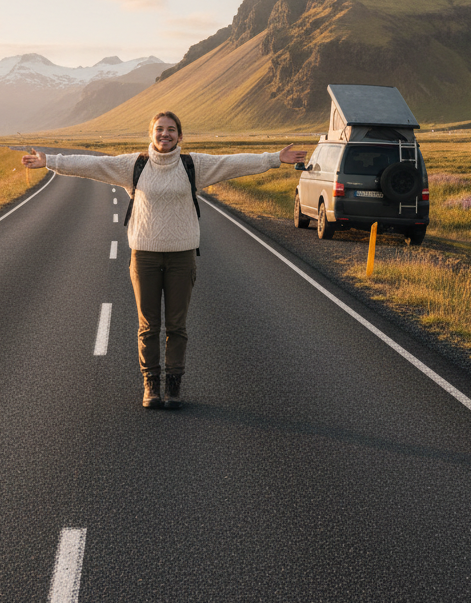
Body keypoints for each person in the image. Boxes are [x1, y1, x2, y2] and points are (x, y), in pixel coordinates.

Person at [22, 112, 305, 410]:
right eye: (160, 129)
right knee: (148, 326)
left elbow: (233, 162)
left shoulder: (193, 165)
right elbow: (92, 165)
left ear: (180, 136)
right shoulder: (133, 165)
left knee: (176, 326)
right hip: (143, 256)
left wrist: (275, 158)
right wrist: (50, 161)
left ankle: (174, 385)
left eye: (171, 130)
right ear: (151, 134)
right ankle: (151, 385)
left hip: (182, 257)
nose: (165, 134)